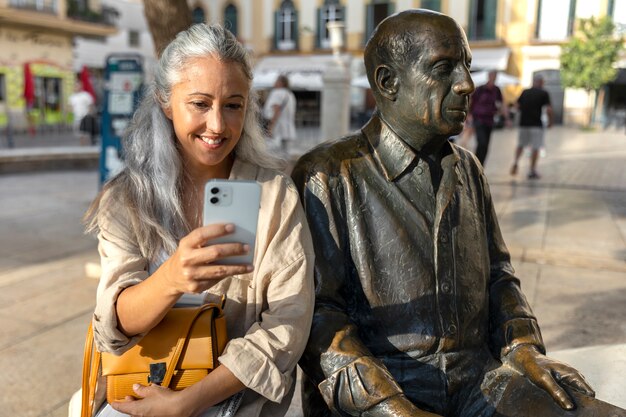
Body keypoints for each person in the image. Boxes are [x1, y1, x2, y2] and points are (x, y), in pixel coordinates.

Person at [291, 9, 613, 417]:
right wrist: (390, 408)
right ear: (388, 82)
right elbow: (317, 317)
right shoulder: (328, 174)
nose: (466, 84)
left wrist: (523, 347)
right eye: (443, 68)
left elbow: (499, 275)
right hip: (384, 389)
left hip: (480, 381)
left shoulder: (468, 168)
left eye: (467, 66)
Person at [77, 23, 314, 417]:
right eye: (200, 104)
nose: (218, 126)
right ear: (166, 101)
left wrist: (188, 403)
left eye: (233, 105)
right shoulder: (127, 198)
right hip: (138, 387)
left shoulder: (274, 196)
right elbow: (114, 325)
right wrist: (171, 278)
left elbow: (288, 323)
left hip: (233, 399)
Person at [510, 75, 553, 179]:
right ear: (541, 82)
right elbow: (548, 109)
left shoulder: (525, 92)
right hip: (536, 124)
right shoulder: (544, 93)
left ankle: (515, 162)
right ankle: (532, 170)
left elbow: (516, 106)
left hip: (523, 123)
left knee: (520, 145)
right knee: (535, 147)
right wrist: (551, 121)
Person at [468, 69, 510, 166]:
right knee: (481, 142)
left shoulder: (497, 90)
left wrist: (506, 118)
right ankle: (475, 164)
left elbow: (502, 104)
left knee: (486, 145)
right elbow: (471, 102)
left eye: (495, 77)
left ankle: (480, 166)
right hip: (479, 119)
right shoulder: (480, 89)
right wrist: (468, 115)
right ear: (489, 76)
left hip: (489, 120)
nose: (493, 78)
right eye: (492, 76)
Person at [262, 74, 296, 155]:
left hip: (278, 128)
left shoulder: (277, 93)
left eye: (276, 80)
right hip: (288, 128)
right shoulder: (290, 94)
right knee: (286, 154)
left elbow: (277, 110)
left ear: (280, 83)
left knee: (272, 153)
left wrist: (270, 127)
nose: (274, 82)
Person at [69, 80, 95, 145]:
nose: (76, 87)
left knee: (85, 132)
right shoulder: (72, 97)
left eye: (77, 86)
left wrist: (89, 114)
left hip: (85, 116)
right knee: (79, 133)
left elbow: (90, 105)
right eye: (75, 86)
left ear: (81, 86)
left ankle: (85, 145)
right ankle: (82, 145)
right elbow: (70, 106)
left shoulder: (86, 95)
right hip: (76, 117)